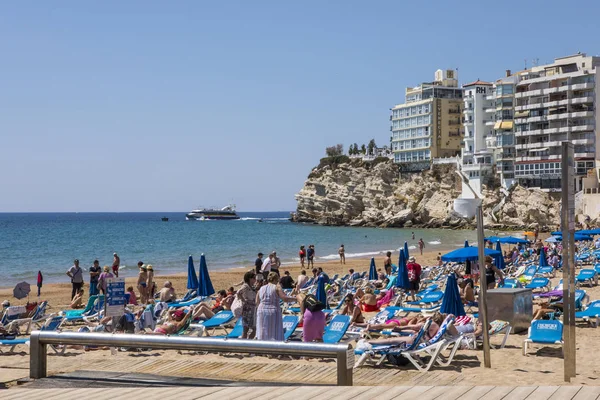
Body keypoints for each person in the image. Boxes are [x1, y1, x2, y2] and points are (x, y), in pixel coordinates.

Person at [255, 272, 296, 341]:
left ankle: (262, 348)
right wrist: (296, 299)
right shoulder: (277, 287)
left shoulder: (261, 288)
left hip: (261, 311)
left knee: (262, 332)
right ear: (276, 279)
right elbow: (285, 298)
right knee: (273, 333)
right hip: (272, 311)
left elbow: (257, 302)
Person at [237, 270, 257, 339]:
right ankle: (246, 343)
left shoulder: (251, 286)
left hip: (252, 310)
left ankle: (246, 343)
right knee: (248, 329)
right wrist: (243, 300)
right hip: (247, 310)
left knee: (248, 329)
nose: (255, 279)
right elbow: (238, 293)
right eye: (254, 278)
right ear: (250, 279)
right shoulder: (246, 286)